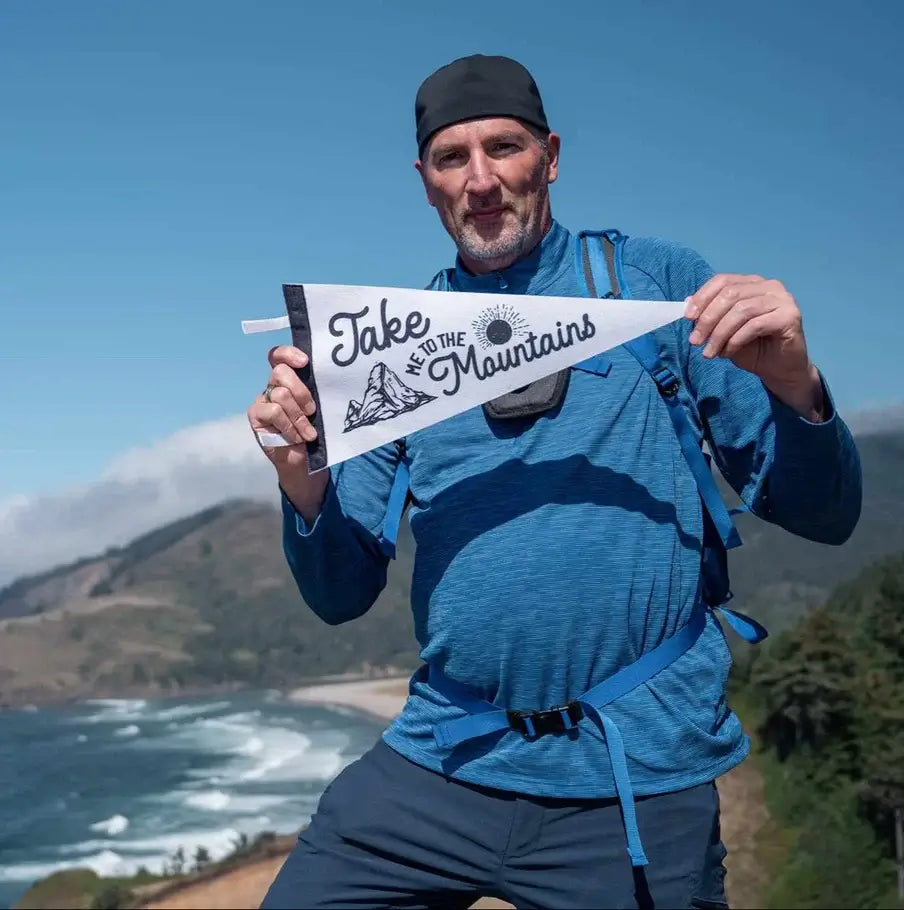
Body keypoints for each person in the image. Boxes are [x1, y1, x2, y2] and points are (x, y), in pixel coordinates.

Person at [250, 54, 862, 910]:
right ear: (424, 181)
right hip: (445, 760)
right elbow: (342, 594)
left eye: (504, 147)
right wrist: (302, 482)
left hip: (635, 767)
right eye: (451, 158)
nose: (482, 180)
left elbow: (827, 514)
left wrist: (796, 383)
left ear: (552, 156)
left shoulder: (659, 287)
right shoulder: (391, 350)